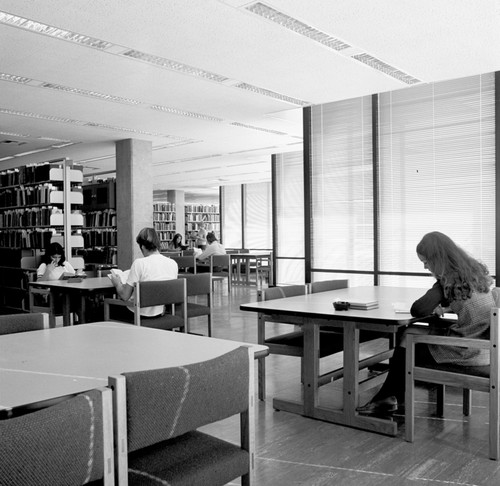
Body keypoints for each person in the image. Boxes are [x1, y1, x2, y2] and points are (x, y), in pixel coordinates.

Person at [357, 231, 495, 415]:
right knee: (409, 333)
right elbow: (470, 304)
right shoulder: (472, 272)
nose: (425, 267)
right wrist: (446, 307)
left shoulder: (449, 279)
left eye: (426, 262)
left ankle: (389, 398)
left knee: (406, 345)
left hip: (467, 350)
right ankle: (391, 397)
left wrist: (438, 290)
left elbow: (419, 310)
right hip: (486, 349)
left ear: (437, 259)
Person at [109, 227, 178, 321]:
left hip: (138, 314)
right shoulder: (173, 263)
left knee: (100, 310)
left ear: (142, 246)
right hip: (160, 312)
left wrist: (117, 284)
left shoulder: (139, 263)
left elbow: (125, 296)